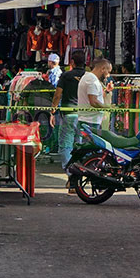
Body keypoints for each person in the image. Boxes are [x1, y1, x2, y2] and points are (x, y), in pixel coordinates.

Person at [51, 51, 87, 191]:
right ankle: (79, 177)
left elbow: (58, 94)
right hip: (84, 116)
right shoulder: (89, 77)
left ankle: (72, 176)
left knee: (66, 146)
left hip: (68, 114)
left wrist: (53, 110)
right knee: (80, 146)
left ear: (72, 62)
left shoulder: (66, 76)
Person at [77, 58, 114, 131]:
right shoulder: (92, 80)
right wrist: (108, 107)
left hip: (89, 120)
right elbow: (93, 102)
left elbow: (96, 98)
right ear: (103, 69)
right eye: (108, 72)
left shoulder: (89, 78)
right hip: (90, 121)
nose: (108, 75)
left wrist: (106, 91)